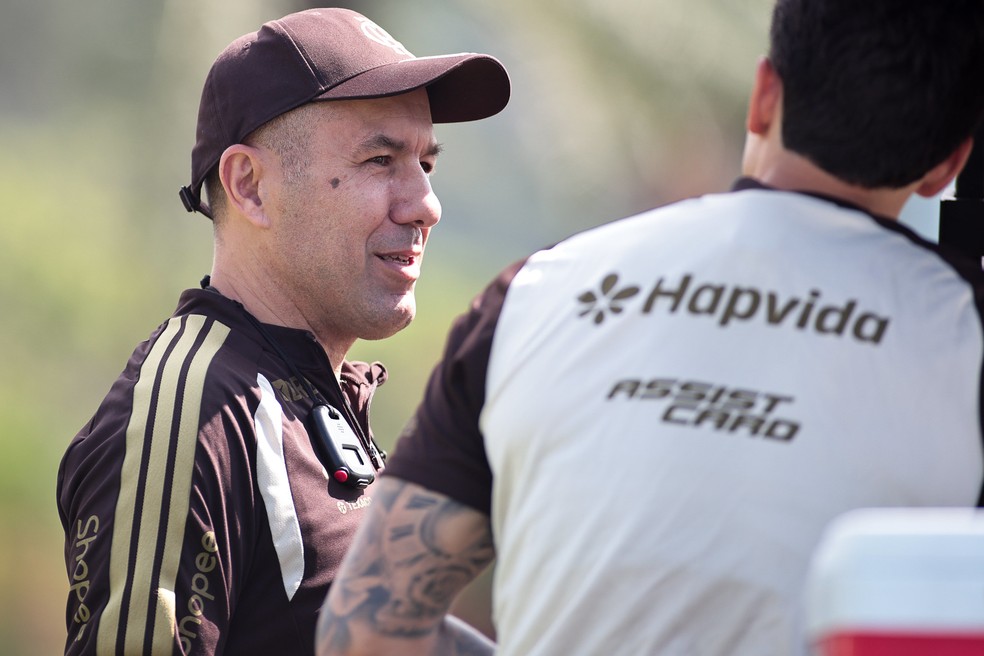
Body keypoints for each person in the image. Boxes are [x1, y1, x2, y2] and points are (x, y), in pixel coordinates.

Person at [316, 1, 984, 654]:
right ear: (951, 164)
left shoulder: (536, 293)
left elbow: (366, 629)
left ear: (763, 96)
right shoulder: (965, 333)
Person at [56, 7, 509, 655]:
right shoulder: (188, 414)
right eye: (380, 159)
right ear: (251, 186)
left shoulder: (309, 394)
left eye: (426, 164)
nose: (424, 205)